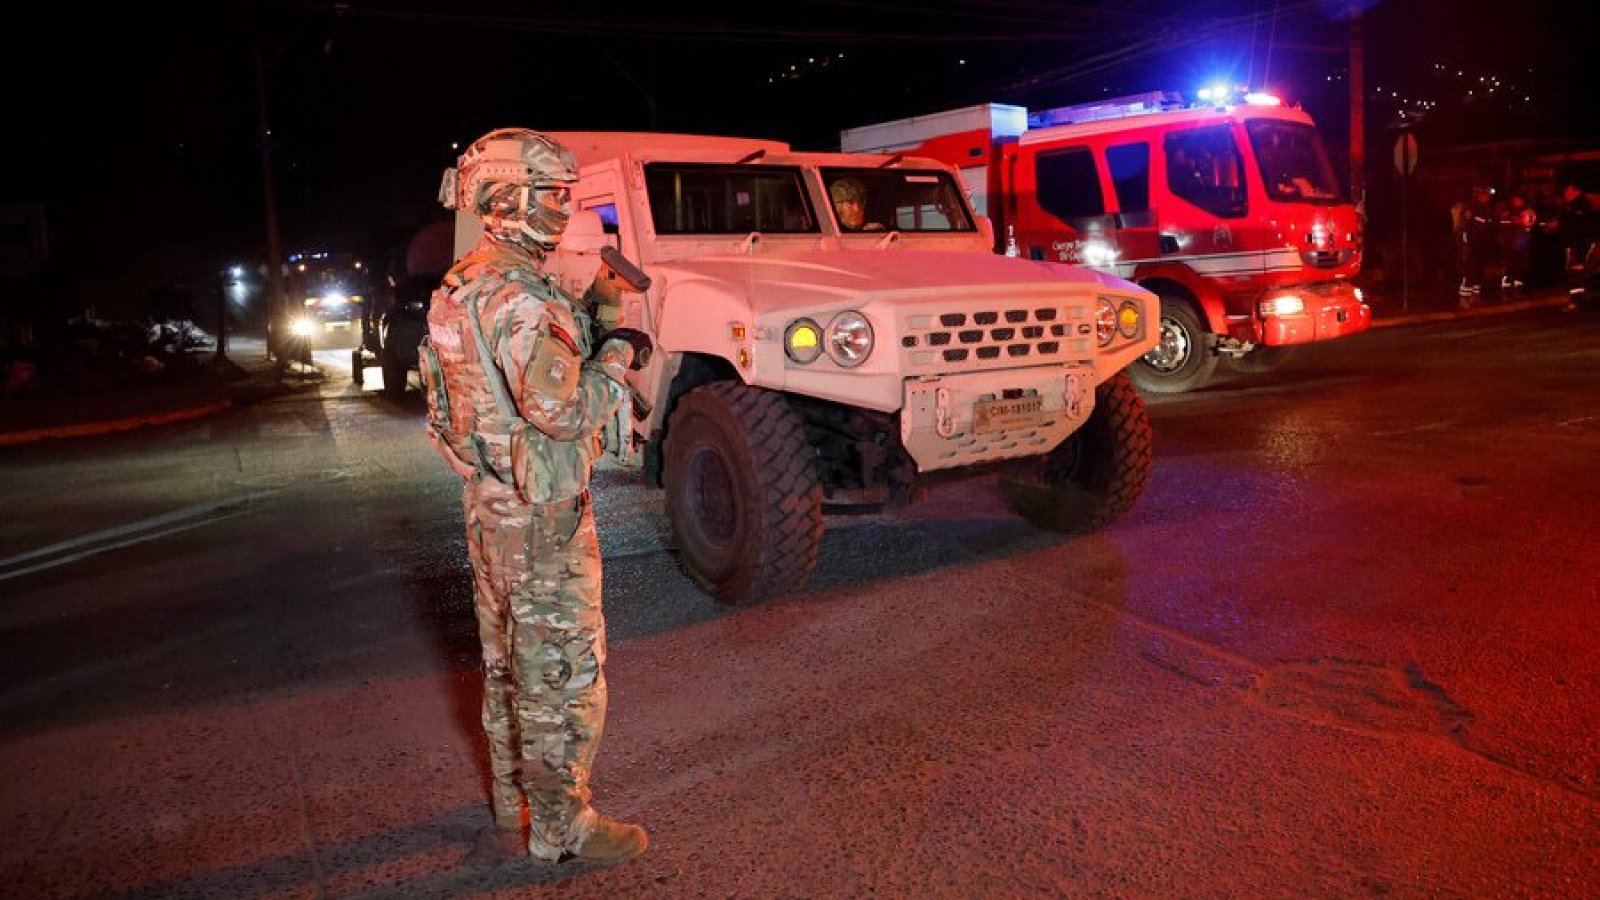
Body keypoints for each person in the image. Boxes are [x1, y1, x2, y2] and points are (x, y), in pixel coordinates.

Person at [420, 127, 651, 868]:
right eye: (552, 195)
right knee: (561, 672)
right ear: (507, 196)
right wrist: (617, 343)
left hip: (492, 505)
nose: (563, 210)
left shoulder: (466, 281)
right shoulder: (518, 295)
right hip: (540, 518)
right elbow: (567, 411)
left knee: (506, 660)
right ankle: (561, 829)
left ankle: (509, 800)